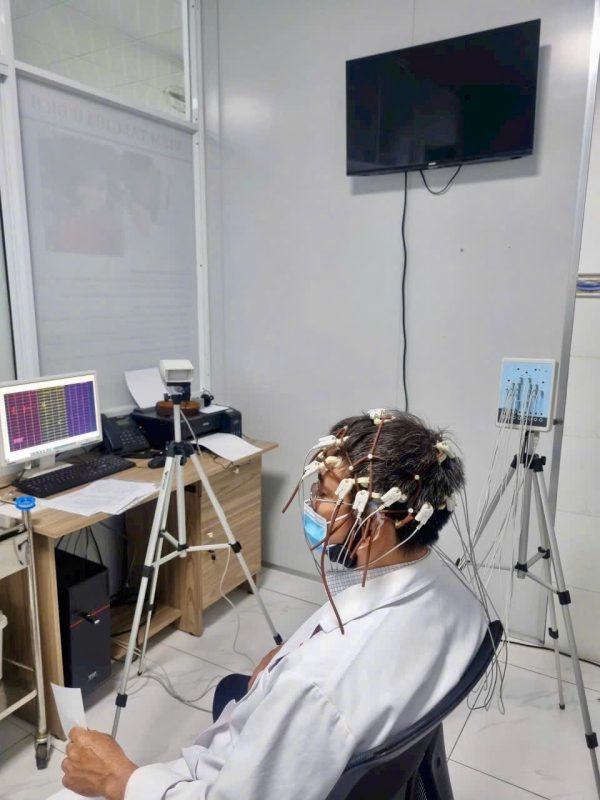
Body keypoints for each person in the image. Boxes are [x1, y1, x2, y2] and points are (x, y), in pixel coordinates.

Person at [60, 410, 487, 800]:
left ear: (374, 527)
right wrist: (291, 654)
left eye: (324, 495)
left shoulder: (314, 686)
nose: (311, 505)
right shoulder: (459, 595)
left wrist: (120, 778)